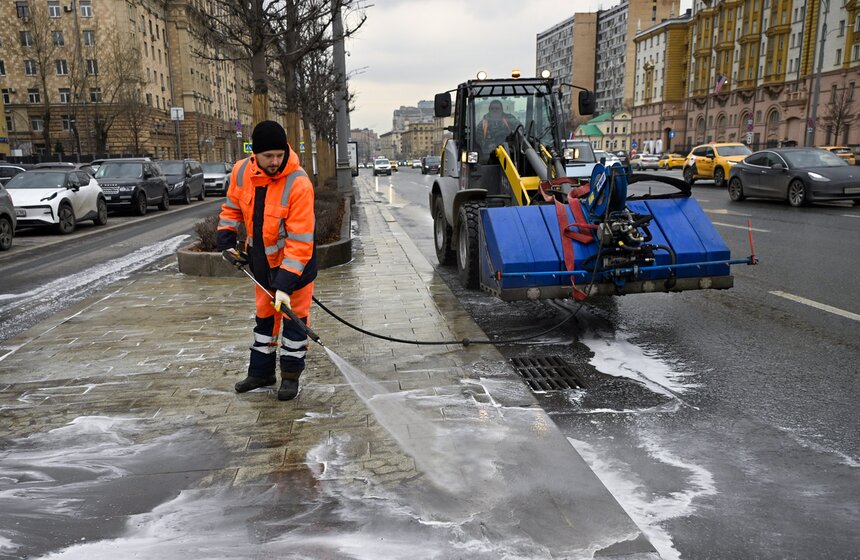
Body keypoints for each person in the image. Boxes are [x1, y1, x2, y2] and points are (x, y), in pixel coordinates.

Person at [217, 120, 317, 401]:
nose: (275, 161)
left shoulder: (298, 183)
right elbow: (232, 207)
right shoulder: (241, 172)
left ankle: (290, 377)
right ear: (255, 155)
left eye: (279, 155)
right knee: (264, 321)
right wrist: (225, 237)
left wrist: (285, 284)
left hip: (295, 269)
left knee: (294, 324)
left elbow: (300, 242)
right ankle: (261, 372)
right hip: (261, 264)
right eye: (268, 156)